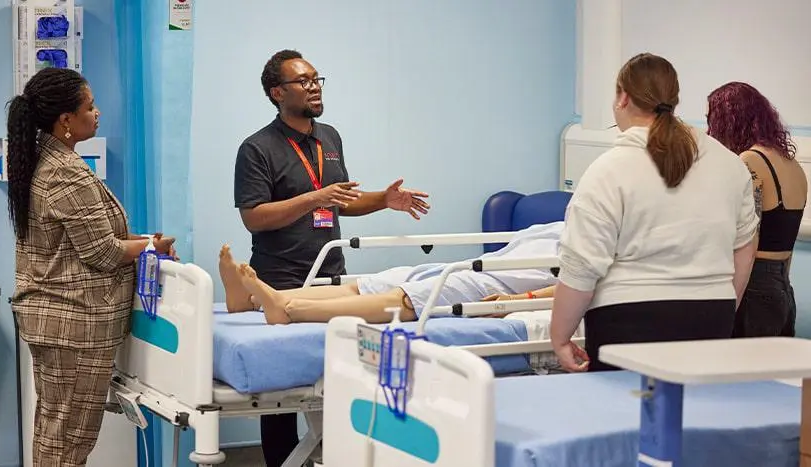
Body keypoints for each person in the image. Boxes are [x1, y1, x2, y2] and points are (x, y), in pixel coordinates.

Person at [233, 49, 430, 466]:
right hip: (281, 278)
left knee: (337, 380)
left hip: (333, 276)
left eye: (317, 78)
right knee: (282, 398)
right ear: (276, 92)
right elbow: (254, 217)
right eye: (303, 81)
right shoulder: (257, 148)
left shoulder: (330, 137)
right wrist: (314, 198)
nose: (314, 86)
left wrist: (383, 200)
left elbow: (340, 201)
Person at [548, 53, 759, 373]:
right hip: (711, 317)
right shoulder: (729, 164)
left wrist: (560, 337)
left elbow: (581, 264)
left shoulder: (608, 170)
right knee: (694, 417)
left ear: (623, 97)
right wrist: (723, 304)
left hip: (629, 321)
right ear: (673, 99)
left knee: (627, 416)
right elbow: (745, 246)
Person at [6, 67, 175, 466]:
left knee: (54, 431)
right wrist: (152, 245)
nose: (97, 113)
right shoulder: (66, 173)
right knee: (69, 443)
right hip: (76, 326)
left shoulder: (42, 160)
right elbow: (100, 253)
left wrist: (142, 243)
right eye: (90, 106)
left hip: (54, 319)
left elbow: (79, 242)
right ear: (66, 119)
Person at [219, 222, 564, 323]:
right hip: (459, 268)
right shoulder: (557, 225)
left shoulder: (597, 243)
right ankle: (251, 302)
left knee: (403, 299)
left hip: (483, 283)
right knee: (372, 283)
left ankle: (290, 310)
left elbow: (580, 286)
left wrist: (518, 300)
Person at [707, 82, 806, 338]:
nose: (710, 131)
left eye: (712, 119)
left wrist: (730, 306)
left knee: (739, 372)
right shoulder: (791, 164)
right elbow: (786, 246)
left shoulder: (751, 161)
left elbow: (748, 245)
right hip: (783, 287)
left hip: (754, 287)